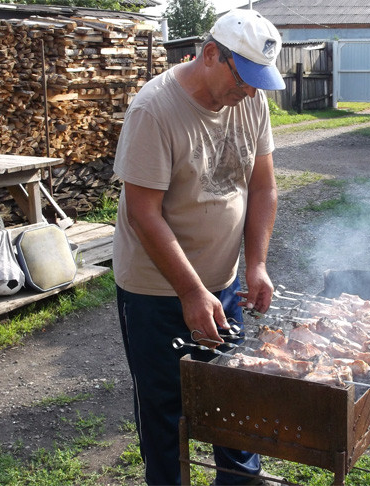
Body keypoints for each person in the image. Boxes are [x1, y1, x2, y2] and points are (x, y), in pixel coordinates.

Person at [112, 9, 284, 486]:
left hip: (224, 285)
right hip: (156, 293)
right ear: (211, 54)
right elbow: (142, 213)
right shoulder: (154, 110)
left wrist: (257, 265)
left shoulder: (251, 100)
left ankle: (239, 482)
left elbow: (263, 186)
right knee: (166, 409)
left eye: (258, 81)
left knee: (235, 396)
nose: (250, 91)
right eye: (245, 78)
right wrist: (189, 291)